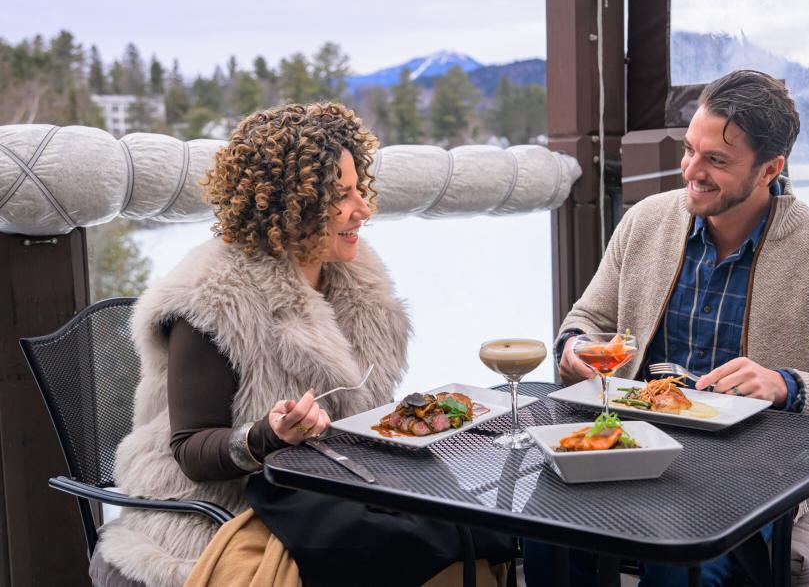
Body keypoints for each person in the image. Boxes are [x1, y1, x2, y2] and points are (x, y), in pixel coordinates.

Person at [90, 103, 511, 587]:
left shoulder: (356, 282)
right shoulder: (211, 299)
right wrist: (265, 436)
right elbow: (190, 450)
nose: (364, 209)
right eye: (342, 195)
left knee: (470, 549)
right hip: (224, 506)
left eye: (359, 189)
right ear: (292, 204)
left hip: (331, 494)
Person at [531, 70, 809, 586]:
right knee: (545, 537)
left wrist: (784, 385)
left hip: (748, 476)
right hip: (628, 447)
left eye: (716, 160)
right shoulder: (644, 222)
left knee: (681, 569)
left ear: (770, 169)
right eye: (689, 150)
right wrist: (574, 348)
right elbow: (587, 320)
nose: (691, 171)